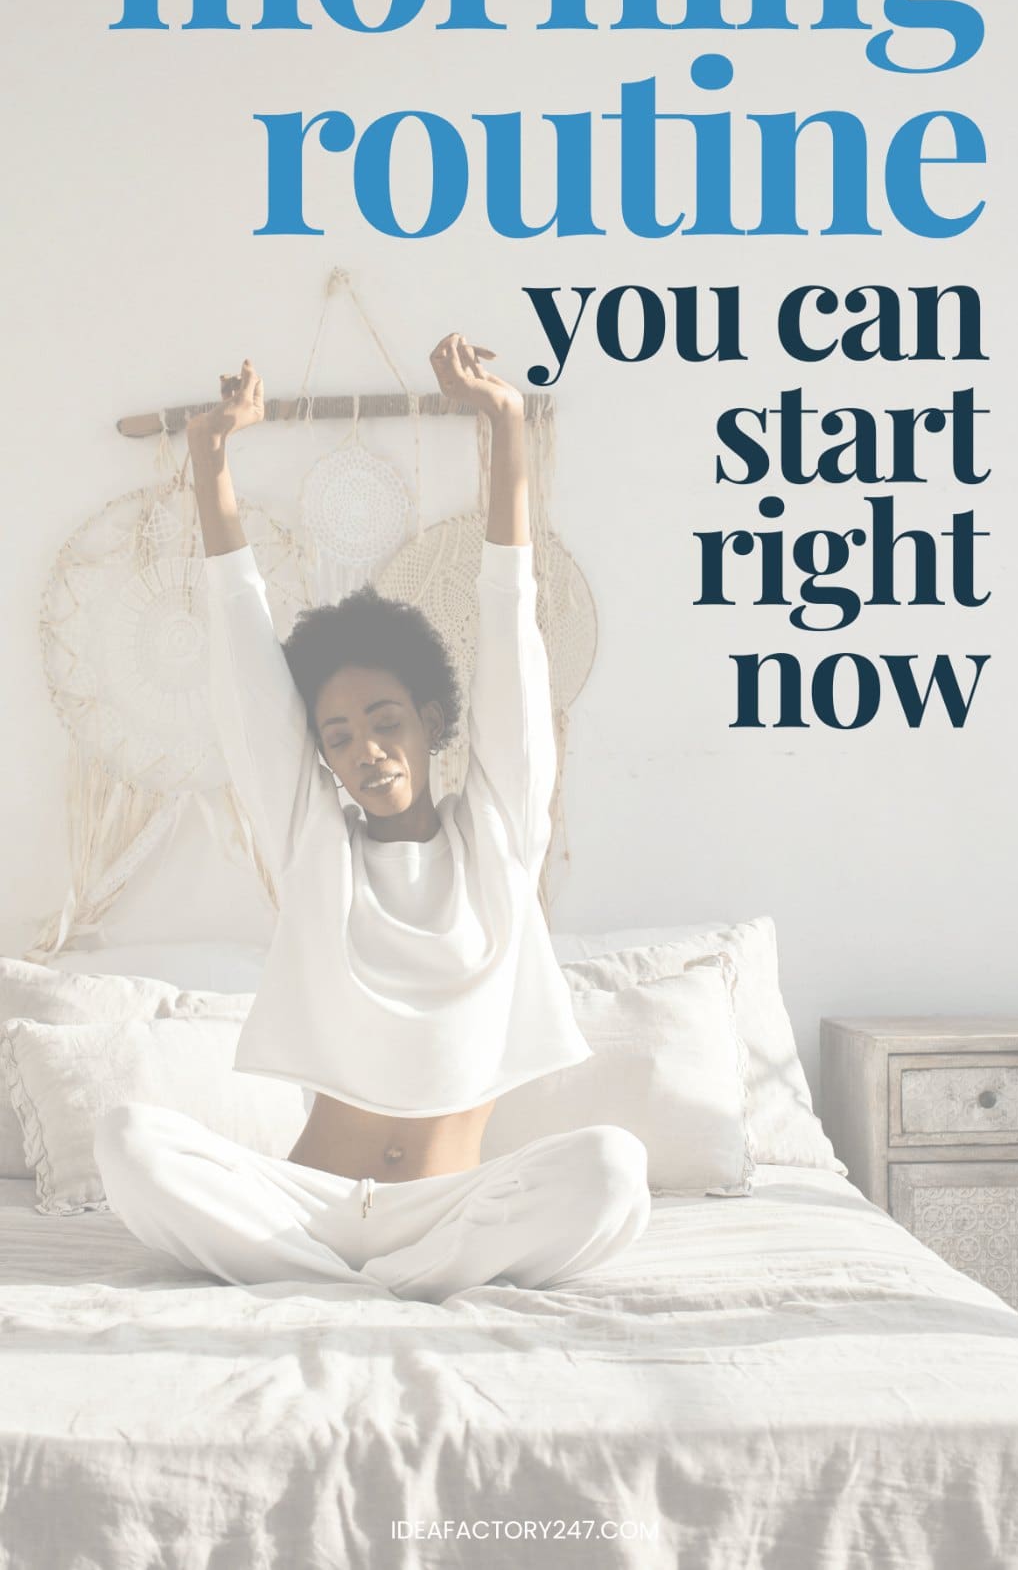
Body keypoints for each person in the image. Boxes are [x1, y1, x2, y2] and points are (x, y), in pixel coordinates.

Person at [94, 333, 651, 1302]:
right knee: (128, 1140)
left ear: (432, 720)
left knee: (610, 1168)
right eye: (341, 734)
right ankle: (394, 1285)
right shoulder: (314, 845)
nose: (366, 748)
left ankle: (360, 1282)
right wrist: (210, 459)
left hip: (455, 1208)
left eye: (385, 721)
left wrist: (506, 426)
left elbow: (510, 621)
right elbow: (241, 650)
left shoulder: (499, 835)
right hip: (306, 1202)